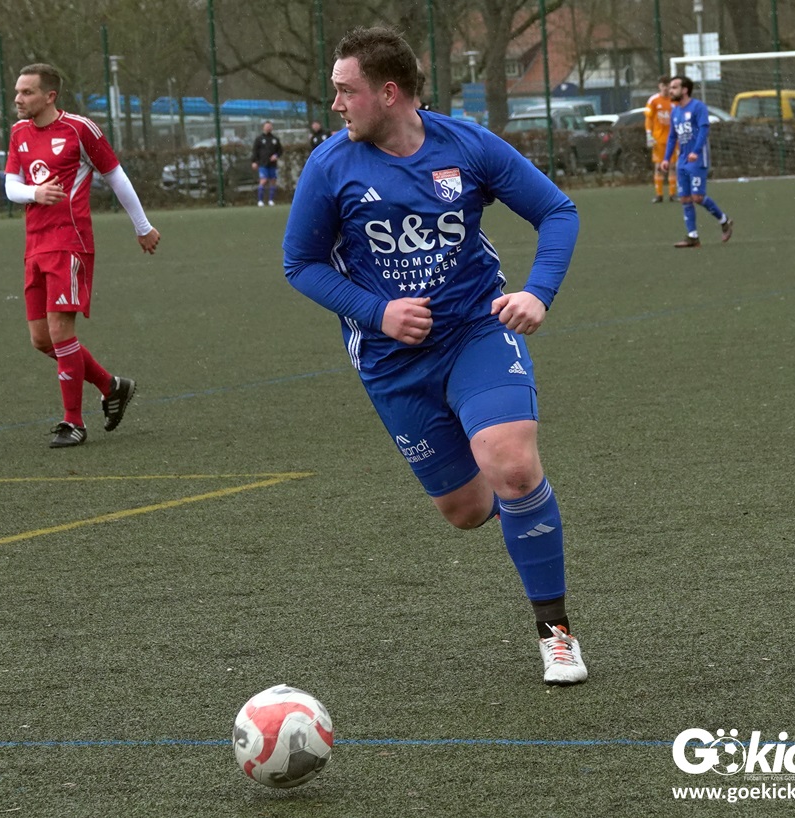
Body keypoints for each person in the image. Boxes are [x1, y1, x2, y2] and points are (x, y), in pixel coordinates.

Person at [282, 26, 588, 686]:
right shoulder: (331, 167)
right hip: (392, 363)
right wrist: (379, 312)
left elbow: (557, 212)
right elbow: (299, 264)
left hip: (477, 333)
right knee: (467, 510)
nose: (336, 104)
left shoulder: (467, 146)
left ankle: (556, 634)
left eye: (346, 91)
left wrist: (537, 292)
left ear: (388, 93)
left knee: (512, 465)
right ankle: (524, 509)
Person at [4, 63, 160, 448]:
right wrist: (35, 193)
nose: (18, 99)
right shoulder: (19, 132)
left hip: (70, 243)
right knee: (42, 340)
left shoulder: (79, 129)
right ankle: (111, 385)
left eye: (26, 92)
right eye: (18, 91)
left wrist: (142, 227)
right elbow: (10, 186)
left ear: (50, 96)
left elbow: (116, 176)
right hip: (35, 246)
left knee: (61, 331)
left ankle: (73, 422)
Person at [661, 76, 733, 248]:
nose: (670, 90)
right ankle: (692, 236)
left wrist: (696, 151)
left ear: (685, 90)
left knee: (697, 197)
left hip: (698, 158)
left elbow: (703, 130)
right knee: (685, 198)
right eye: (670, 87)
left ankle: (724, 221)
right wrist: (666, 158)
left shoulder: (698, 107)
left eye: (674, 87)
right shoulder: (675, 112)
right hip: (682, 160)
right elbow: (672, 137)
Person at [644, 75, 677, 203]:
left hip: (673, 139)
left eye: (667, 85)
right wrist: (649, 134)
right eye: (663, 86)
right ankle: (659, 194)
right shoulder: (653, 100)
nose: (665, 88)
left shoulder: (675, 100)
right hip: (658, 139)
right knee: (659, 167)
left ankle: (672, 194)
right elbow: (648, 119)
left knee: (673, 166)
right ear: (659, 86)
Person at [250, 121, 282, 206]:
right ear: (263, 127)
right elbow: (255, 151)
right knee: (263, 180)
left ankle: (271, 200)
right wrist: (254, 161)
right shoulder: (259, 139)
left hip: (272, 164)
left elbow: (280, 150)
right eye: (267, 126)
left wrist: (276, 155)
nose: (268, 128)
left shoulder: (275, 139)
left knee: (273, 181)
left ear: (272, 127)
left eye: (269, 126)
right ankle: (260, 200)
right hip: (262, 163)